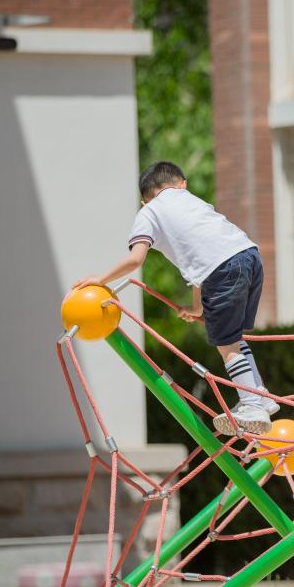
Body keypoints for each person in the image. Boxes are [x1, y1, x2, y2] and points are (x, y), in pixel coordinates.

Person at [73, 161, 277, 435]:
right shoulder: (192, 201)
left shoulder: (149, 212)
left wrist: (101, 279)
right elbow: (199, 263)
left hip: (222, 269)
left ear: (145, 200)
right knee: (233, 336)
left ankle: (252, 404)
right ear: (182, 184)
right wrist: (196, 308)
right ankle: (260, 395)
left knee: (226, 343)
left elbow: (136, 259)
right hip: (249, 256)